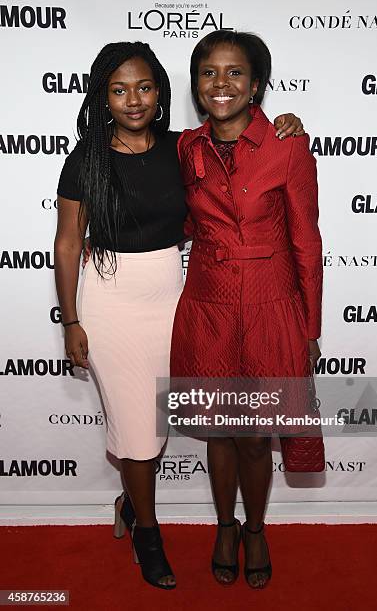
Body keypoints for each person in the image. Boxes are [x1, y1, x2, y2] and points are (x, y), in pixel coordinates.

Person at [54, 40, 305, 590]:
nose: (133, 99)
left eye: (144, 86)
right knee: (141, 433)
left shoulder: (184, 147)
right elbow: (69, 244)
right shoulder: (85, 161)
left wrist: (286, 122)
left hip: (178, 297)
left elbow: (239, 147)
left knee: (189, 423)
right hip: (111, 300)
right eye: (118, 89)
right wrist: (71, 321)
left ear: (163, 93)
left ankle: (135, 506)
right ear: (102, 97)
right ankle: (148, 533)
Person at [170, 31, 323, 589]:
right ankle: (224, 525)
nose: (221, 84)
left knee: (256, 434)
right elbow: (168, 207)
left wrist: (310, 326)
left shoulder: (288, 146)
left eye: (235, 72)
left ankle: (255, 528)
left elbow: (307, 242)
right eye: (209, 72)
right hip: (207, 302)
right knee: (217, 429)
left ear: (256, 83)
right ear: (196, 85)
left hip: (268, 302)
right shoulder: (186, 147)